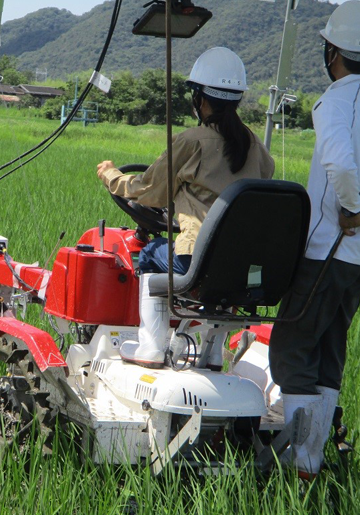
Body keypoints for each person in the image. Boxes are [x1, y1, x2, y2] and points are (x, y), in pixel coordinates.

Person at [97, 47, 274, 368]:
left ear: (200, 99)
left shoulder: (191, 141)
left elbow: (148, 192)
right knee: (221, 278)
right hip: (242, 269)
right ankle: (211, 354)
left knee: (151, 254)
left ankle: (151, 345)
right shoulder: (256, 147)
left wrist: (111, 175)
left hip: (198, 262)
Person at [268, 0, 360, 480]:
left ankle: (301, 466)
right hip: (356, 263)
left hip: (327, 250)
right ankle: (315, 458)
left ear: (334, 52)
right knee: (328, 351)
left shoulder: (337, 100)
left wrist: (355, 208)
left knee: (290, 349)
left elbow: (342, 164)